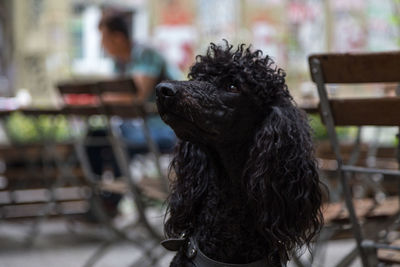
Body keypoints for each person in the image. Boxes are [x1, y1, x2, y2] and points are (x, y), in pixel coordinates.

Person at [84, 12, 179, 222]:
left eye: (104, 37)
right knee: (94, 137)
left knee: (118, 142)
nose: (102, 44)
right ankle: (100, 201)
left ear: (117, 37)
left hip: (165, 129)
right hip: (138, 129)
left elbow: (137, 94)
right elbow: (120, 100)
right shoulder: (121, 63)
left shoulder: (146, 54)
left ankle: (110, 203)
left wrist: (102, 99)